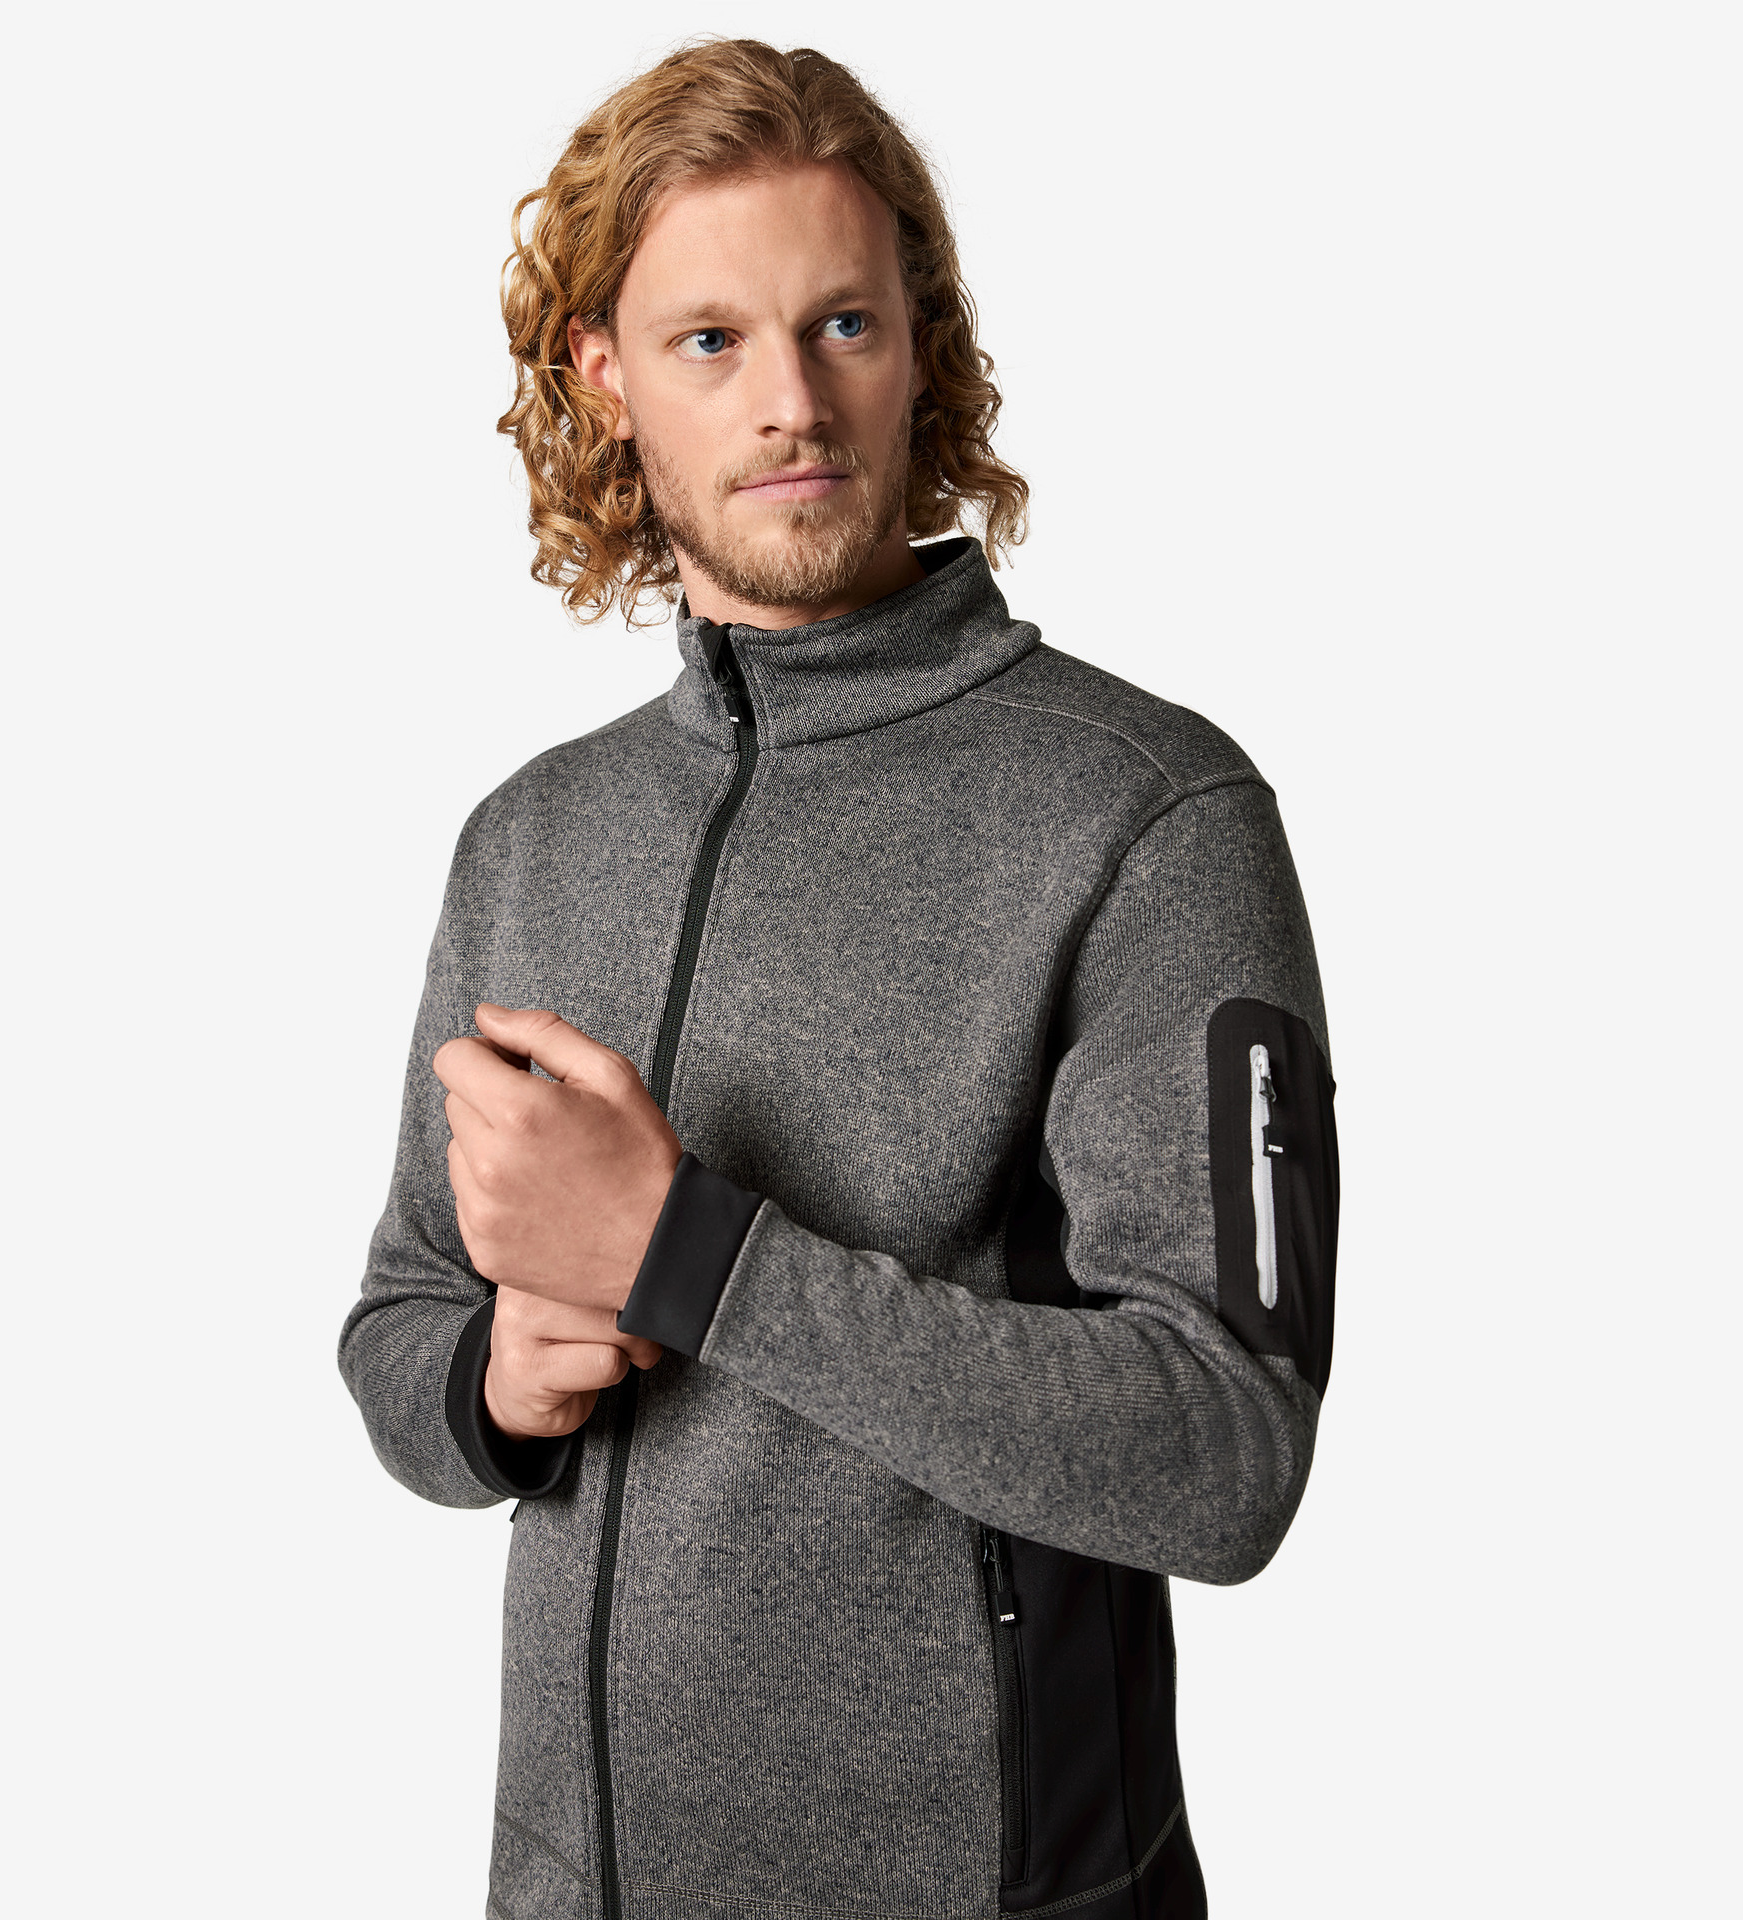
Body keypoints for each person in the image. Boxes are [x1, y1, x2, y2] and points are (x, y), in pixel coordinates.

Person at [339, 38, 1338, 1920]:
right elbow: (399, 1322)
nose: (791, 402)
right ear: (605, 376)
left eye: (844, 325)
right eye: (711, 340)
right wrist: (493, 1379)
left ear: (920, 347)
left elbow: (1225, 1453)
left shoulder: (1146, 816)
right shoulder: (533, 837)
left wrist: (689, 1258)